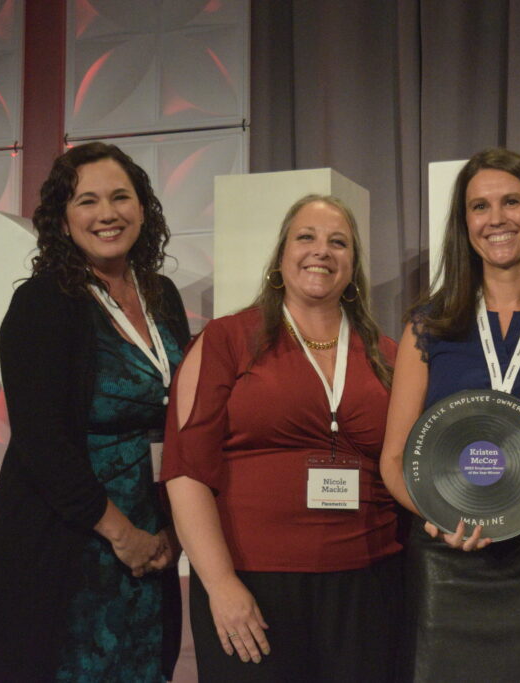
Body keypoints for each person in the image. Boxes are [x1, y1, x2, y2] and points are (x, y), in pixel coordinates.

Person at [380, 148, 520, 682]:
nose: (496, 218)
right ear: (465, 224)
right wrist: (438, 519)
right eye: (479, 206)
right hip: (448, 560)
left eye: (512, 202)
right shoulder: (429, 325)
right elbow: (393, 459)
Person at [0, 142, 189, 682]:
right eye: (87, 201)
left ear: (143, 208)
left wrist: (172, 530)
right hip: (68, 546)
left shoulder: (162, 295)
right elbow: (42, 444)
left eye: (121, 197)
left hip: (151, 544)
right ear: (63, 221)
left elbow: (181, 416)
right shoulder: (42, 303)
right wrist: (122, 534)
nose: (107, 213)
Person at [163, 195, 401, 682]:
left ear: (352, 265)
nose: (322, 250)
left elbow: (413, 463)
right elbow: (187, 471)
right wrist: (220, 584)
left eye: (339, 242)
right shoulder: (228, 339)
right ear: (281, 256)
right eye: (306, 237)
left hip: (370, 584)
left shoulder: (388, 355)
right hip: (253, 585)